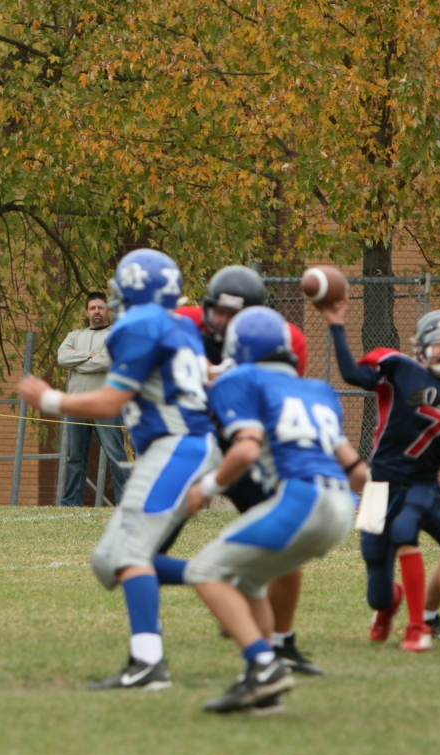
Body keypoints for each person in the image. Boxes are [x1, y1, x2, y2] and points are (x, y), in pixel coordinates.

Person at [20, 249, 219, 690]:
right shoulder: (180, 324)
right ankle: (217, 576)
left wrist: (49, 399)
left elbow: (111, 401)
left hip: (175, 447)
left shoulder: (139, 324)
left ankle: (148, 662)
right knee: (109, 560)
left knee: (131, 554)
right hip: (182, 447)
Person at [181, 307, 368, 713]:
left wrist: (205, 488)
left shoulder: (241, 379)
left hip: (301, 500)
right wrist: (381, 513)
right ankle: (265, 686)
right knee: (250, 583)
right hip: (341, 507)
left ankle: (264, 666)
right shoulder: (317, 389)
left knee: (203, 570)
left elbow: (246, 450)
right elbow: (356, 470)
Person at [324, 302, 440, 651]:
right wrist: (336, 323)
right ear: (421, 346)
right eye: (438, 342)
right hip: (377, 486)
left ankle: (430, 622)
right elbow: (353, 375)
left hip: (422, 483)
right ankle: (390, 607)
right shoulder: (399, 367)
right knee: (377, 590)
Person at [173, 266, 323, 676]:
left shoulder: (285, 339)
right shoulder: (185, 322)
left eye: (235, 315)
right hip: (191, 438)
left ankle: (282, 641)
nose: (223, 322)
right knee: (148, 543)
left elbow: (275, 399)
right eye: (218, 312)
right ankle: (148, 643)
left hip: (244, 444)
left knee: (283, 542)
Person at [56, 292, 131, 506]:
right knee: (75, 457)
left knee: (115, 455)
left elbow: (108, 361)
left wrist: (78, 363)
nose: (96, 311)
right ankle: (72, 502)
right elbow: (62, 357)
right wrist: (90, 355)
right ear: (87, 312)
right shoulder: (74, 335)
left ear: (108, 310)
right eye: (92, 308)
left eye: (100, 307)